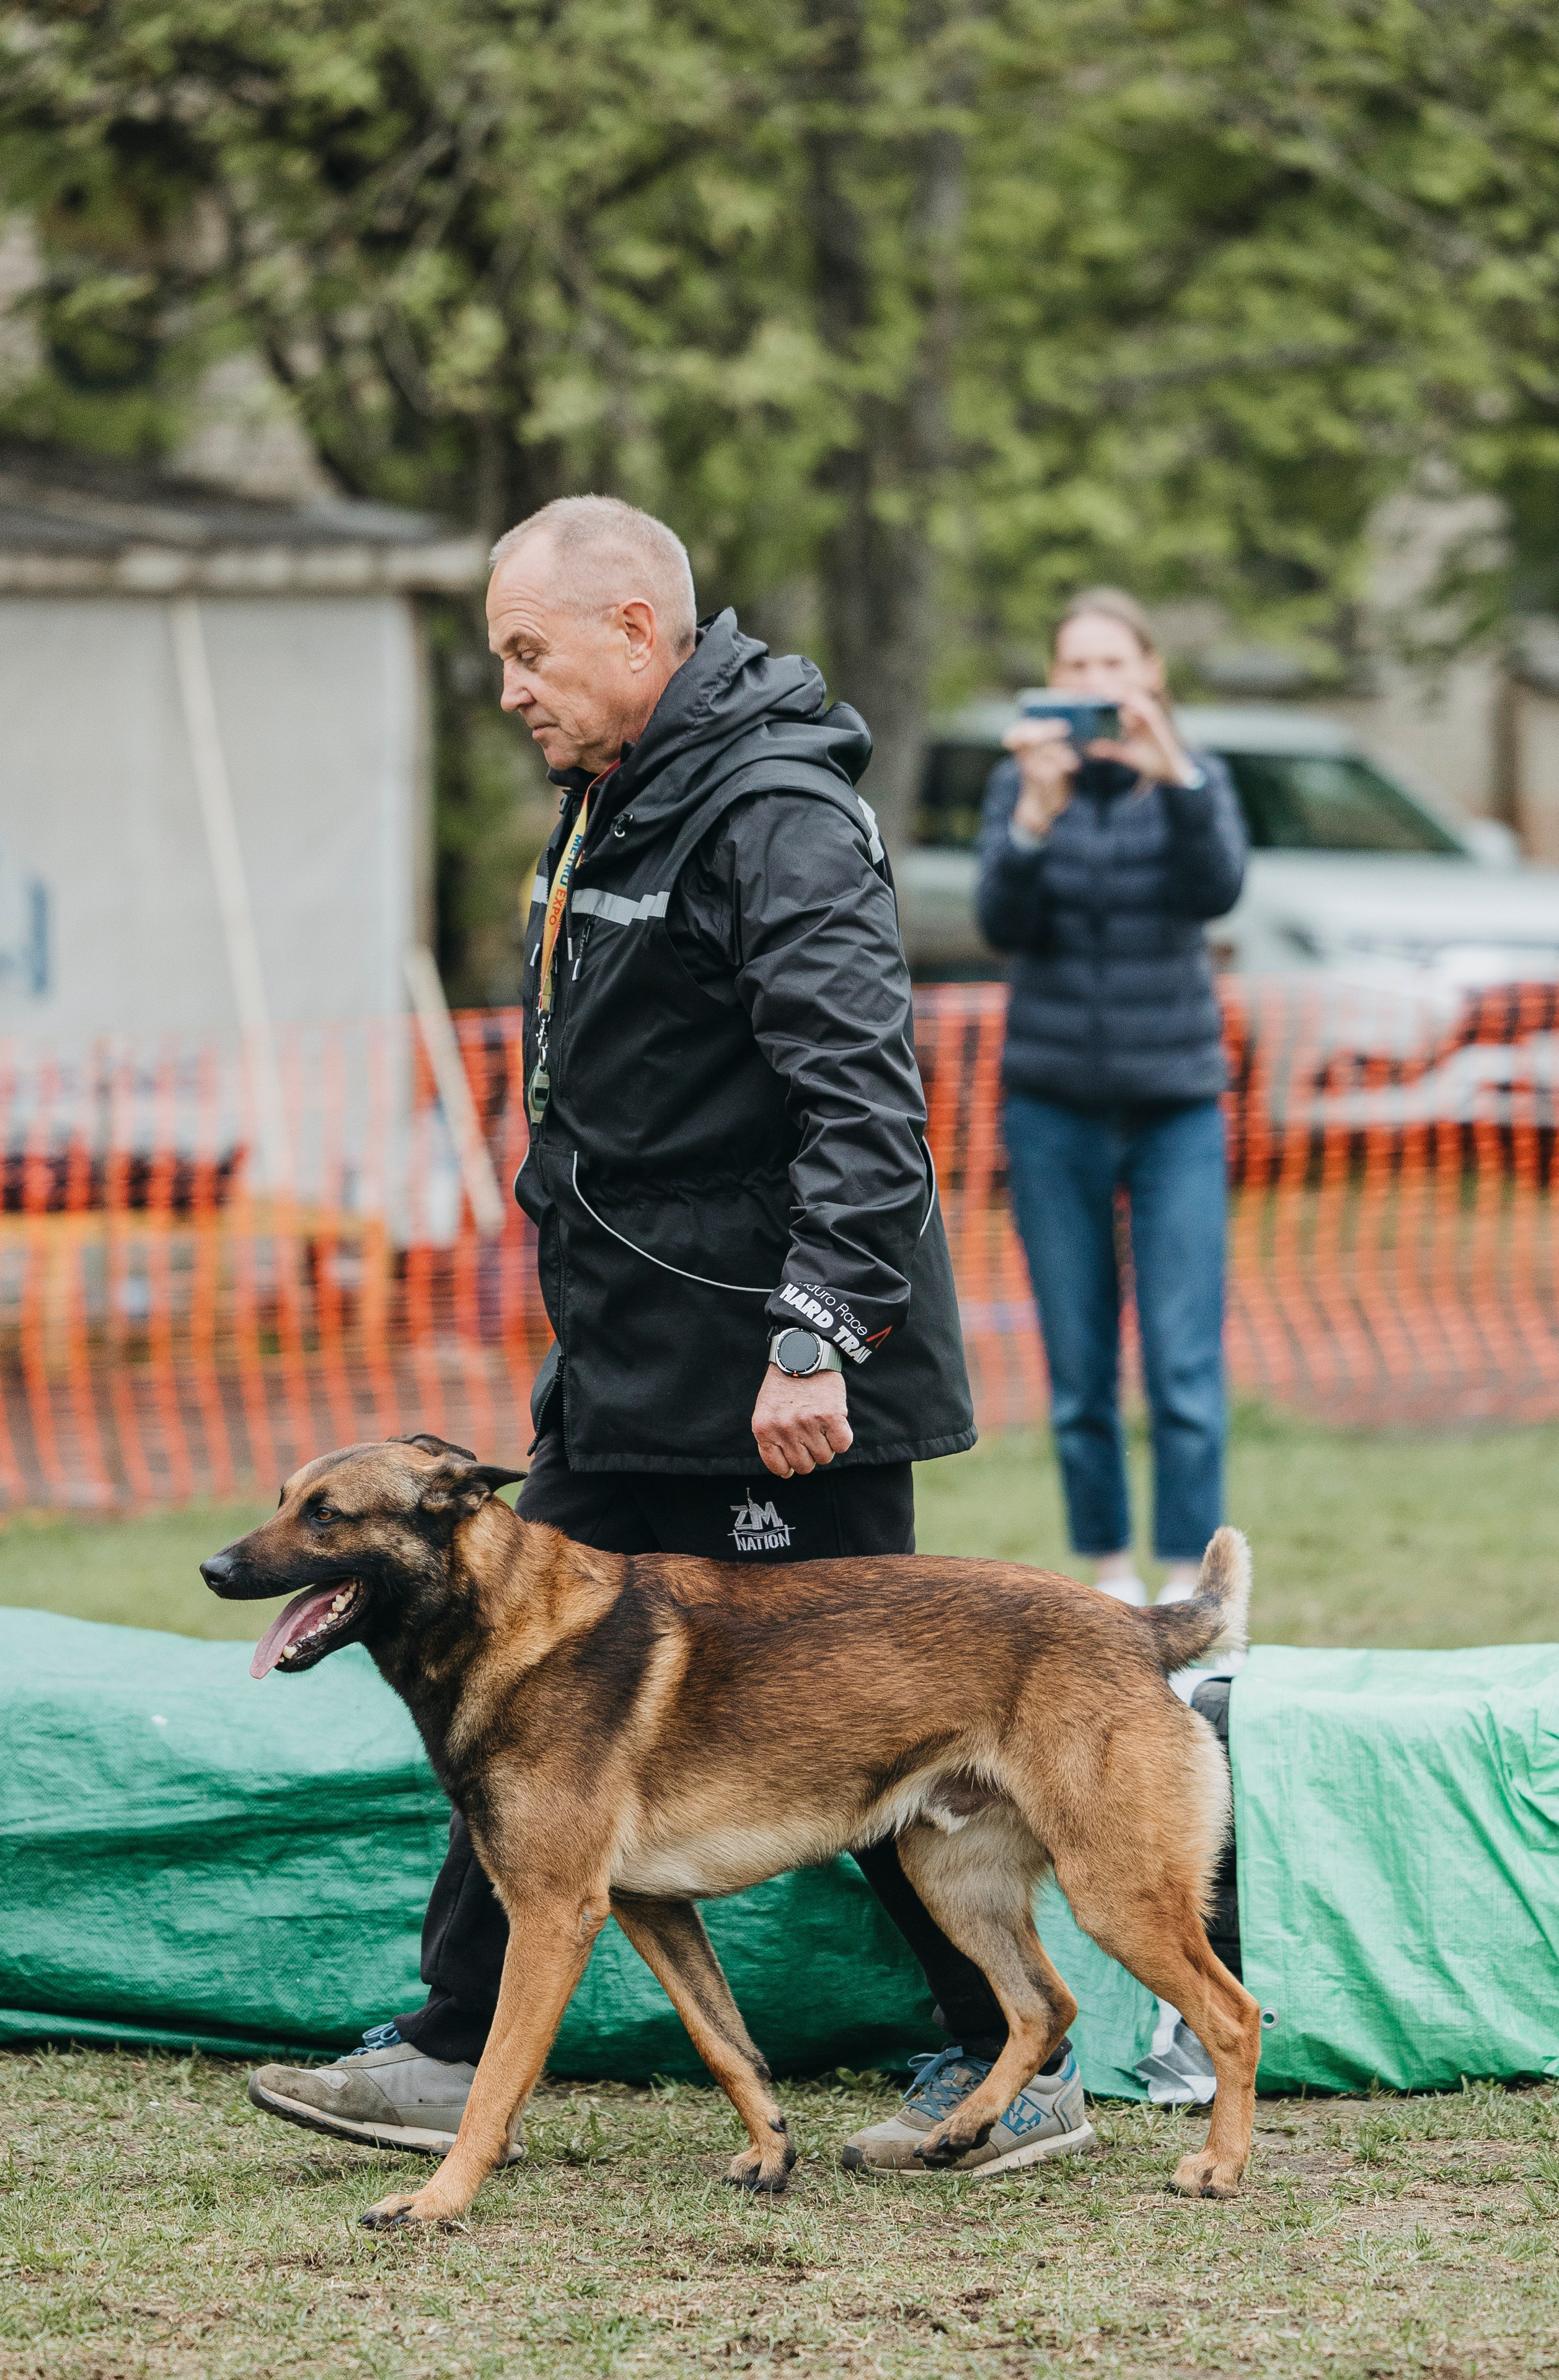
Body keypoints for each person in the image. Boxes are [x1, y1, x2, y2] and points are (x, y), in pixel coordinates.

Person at [248, 496, 1095, 2179]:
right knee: (501, 1687)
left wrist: (814, 1335)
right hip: (634, 1370)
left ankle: (1017, 2063)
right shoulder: (613, 801)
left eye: (528, 651)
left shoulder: (773, 810)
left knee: (882, 1723)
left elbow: (865, 1092)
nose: (509, 689)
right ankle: (450, 2045)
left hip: (787, 1382)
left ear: (638, 629)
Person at [975, 589, 1248, 1610]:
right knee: (1080, 1365)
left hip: (1177, 1105)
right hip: (1053, 1108)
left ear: (1150, 675)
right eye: (1075, 668)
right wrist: (1037, 812)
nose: (1094, 686)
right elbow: (1001, 917)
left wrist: (1170, 771)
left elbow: (1220, 886)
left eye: (1111, 666)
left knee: (1184, 1358)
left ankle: (1188, 1579)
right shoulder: (1021, 784)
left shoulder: (1192, 777)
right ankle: (1112, 1576)